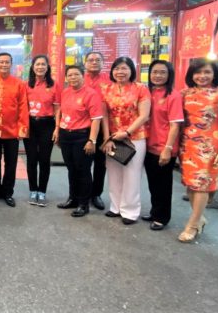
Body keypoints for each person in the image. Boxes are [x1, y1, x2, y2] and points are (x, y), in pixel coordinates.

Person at [179, 58, 218, 243]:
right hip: (187, 144)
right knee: (190, 186)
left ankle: (192, 225)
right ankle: (199, 218)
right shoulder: (185, 93)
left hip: (210, 147)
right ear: (191, 75)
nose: (202, 76)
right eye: (198, 72)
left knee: (202, 185)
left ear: (214, 74)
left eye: (207, 72)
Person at [101, 57, 151, 225]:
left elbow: (144, 115)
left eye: (124, 68)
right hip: (113, 138)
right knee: (113, 173)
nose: (120, 72)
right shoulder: (106, 89)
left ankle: (130, 211)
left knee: (131, 174)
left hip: (134, 138)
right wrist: (107, 138)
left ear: (131, 70)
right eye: (117, 69)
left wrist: (127, 132)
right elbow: (104, 116)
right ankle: (115, 207)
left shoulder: (141, 88)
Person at [57, 65, 103, 217]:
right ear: (66, 78)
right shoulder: (65, 92)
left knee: (83, 170)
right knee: (71, 169)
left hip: (82, 137)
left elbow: (96, 119)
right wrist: (58, 131)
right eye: (70, 75)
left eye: (76, 74)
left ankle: (84, 203)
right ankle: (73, 198)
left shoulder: (91, 94)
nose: (73, 77)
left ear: (83, 76)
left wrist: (92, 140)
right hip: (66, 135)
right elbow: (61, 113)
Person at [142, 60, 183, 231]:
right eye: (155, 72)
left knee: (163, 184)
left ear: (169, 75)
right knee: (153, 182)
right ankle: (155, 211)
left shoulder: (173, 95)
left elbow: (175, 125)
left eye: (162, 72)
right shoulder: (148, 92)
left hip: (164, 147)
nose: (158, 76)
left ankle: (162, 217)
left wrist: (168, 148)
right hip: (148, 145)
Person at [0, 52, 29, 207]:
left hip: (12, 131)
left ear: (11, 64)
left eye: (7, 62)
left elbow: (23, 106)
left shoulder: (19, 83)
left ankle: (8, 192)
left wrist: (22, 129)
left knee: (11, 164)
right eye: (1, 62)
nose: (4, 65)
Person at [23, 55, 59, 207]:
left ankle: (42, 192)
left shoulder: (54, 85)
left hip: (47, 125)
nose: (40, 67)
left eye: (43, 64)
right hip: (30, 125)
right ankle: (33, 190)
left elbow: (57, 108)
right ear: (33, 67)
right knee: (31, 159)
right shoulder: (26, 85)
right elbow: (22, 107)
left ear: (47, 67)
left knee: (44, 160)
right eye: (37, 64)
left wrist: (57, 128)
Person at [83, 51, 110, 211]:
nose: (94, 62)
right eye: (91, 60)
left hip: (103, 127)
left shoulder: (109, 81)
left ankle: (96, 194)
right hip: (82, 127)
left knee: (101, 163)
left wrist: (107, 135)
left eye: (98, 60)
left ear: (103, 63)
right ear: (85, 62)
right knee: (83, 164)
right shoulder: (79, 78)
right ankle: (83, 194)